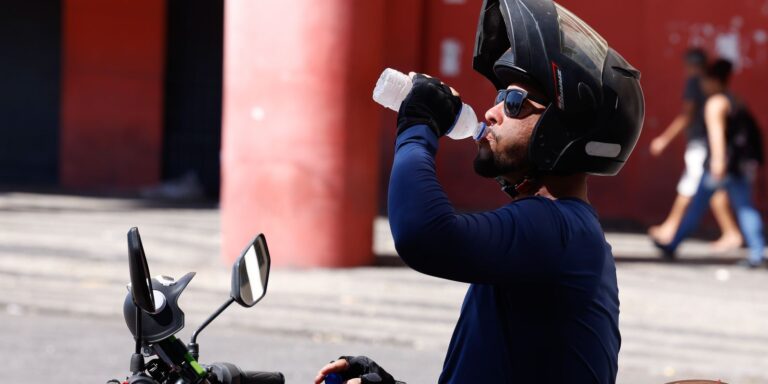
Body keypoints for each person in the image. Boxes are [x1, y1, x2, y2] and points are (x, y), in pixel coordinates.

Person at [314, 0, 644, 383]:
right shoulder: (563, 232)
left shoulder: (557, 227)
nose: (491, 112)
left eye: (514, 103)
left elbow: (423, 235)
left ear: (563, 130)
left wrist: (417, 125)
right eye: (500, 97)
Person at [654, 59, 765, 268]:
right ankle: (758, 252)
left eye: (705, 81)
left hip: (720, 165)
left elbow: (716, 135)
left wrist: (718, 161)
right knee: (745, 208)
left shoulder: (715, 103)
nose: (702, 85)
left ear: (714, 81)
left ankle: (673, 244)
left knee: (697, 206)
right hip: (739, 166)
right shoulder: (735, 99)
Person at [648, 48, 743, 252]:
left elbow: (687, 116)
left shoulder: (696, 83)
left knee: (692, 187)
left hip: (701, 145)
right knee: (709, 188)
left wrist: (664, 139)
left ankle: (673, 229)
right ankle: (675, 229)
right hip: (708, 146)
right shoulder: (720, 90)